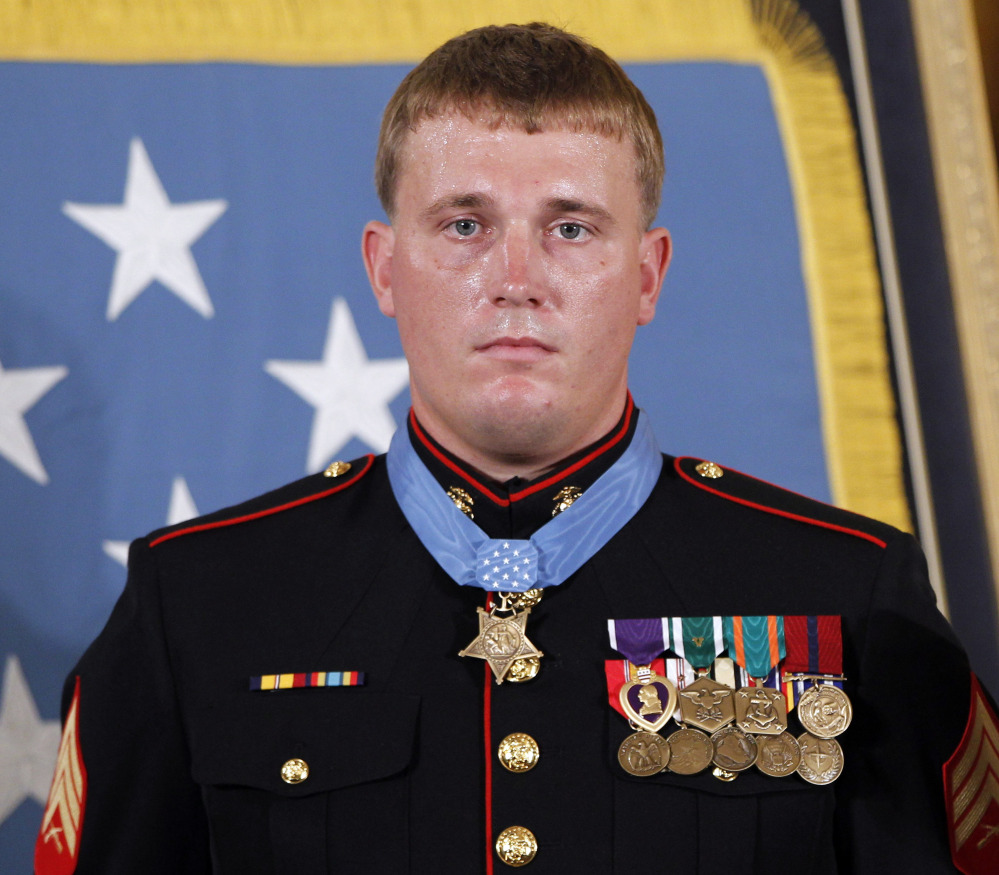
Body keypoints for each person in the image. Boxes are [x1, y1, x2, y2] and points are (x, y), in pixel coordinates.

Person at [35, 22, 997, 875]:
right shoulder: (201, 600)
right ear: (382, 267)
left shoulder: (845, 594)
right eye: (464, 225)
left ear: (647, 276)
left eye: (571, 228)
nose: (516, 280)